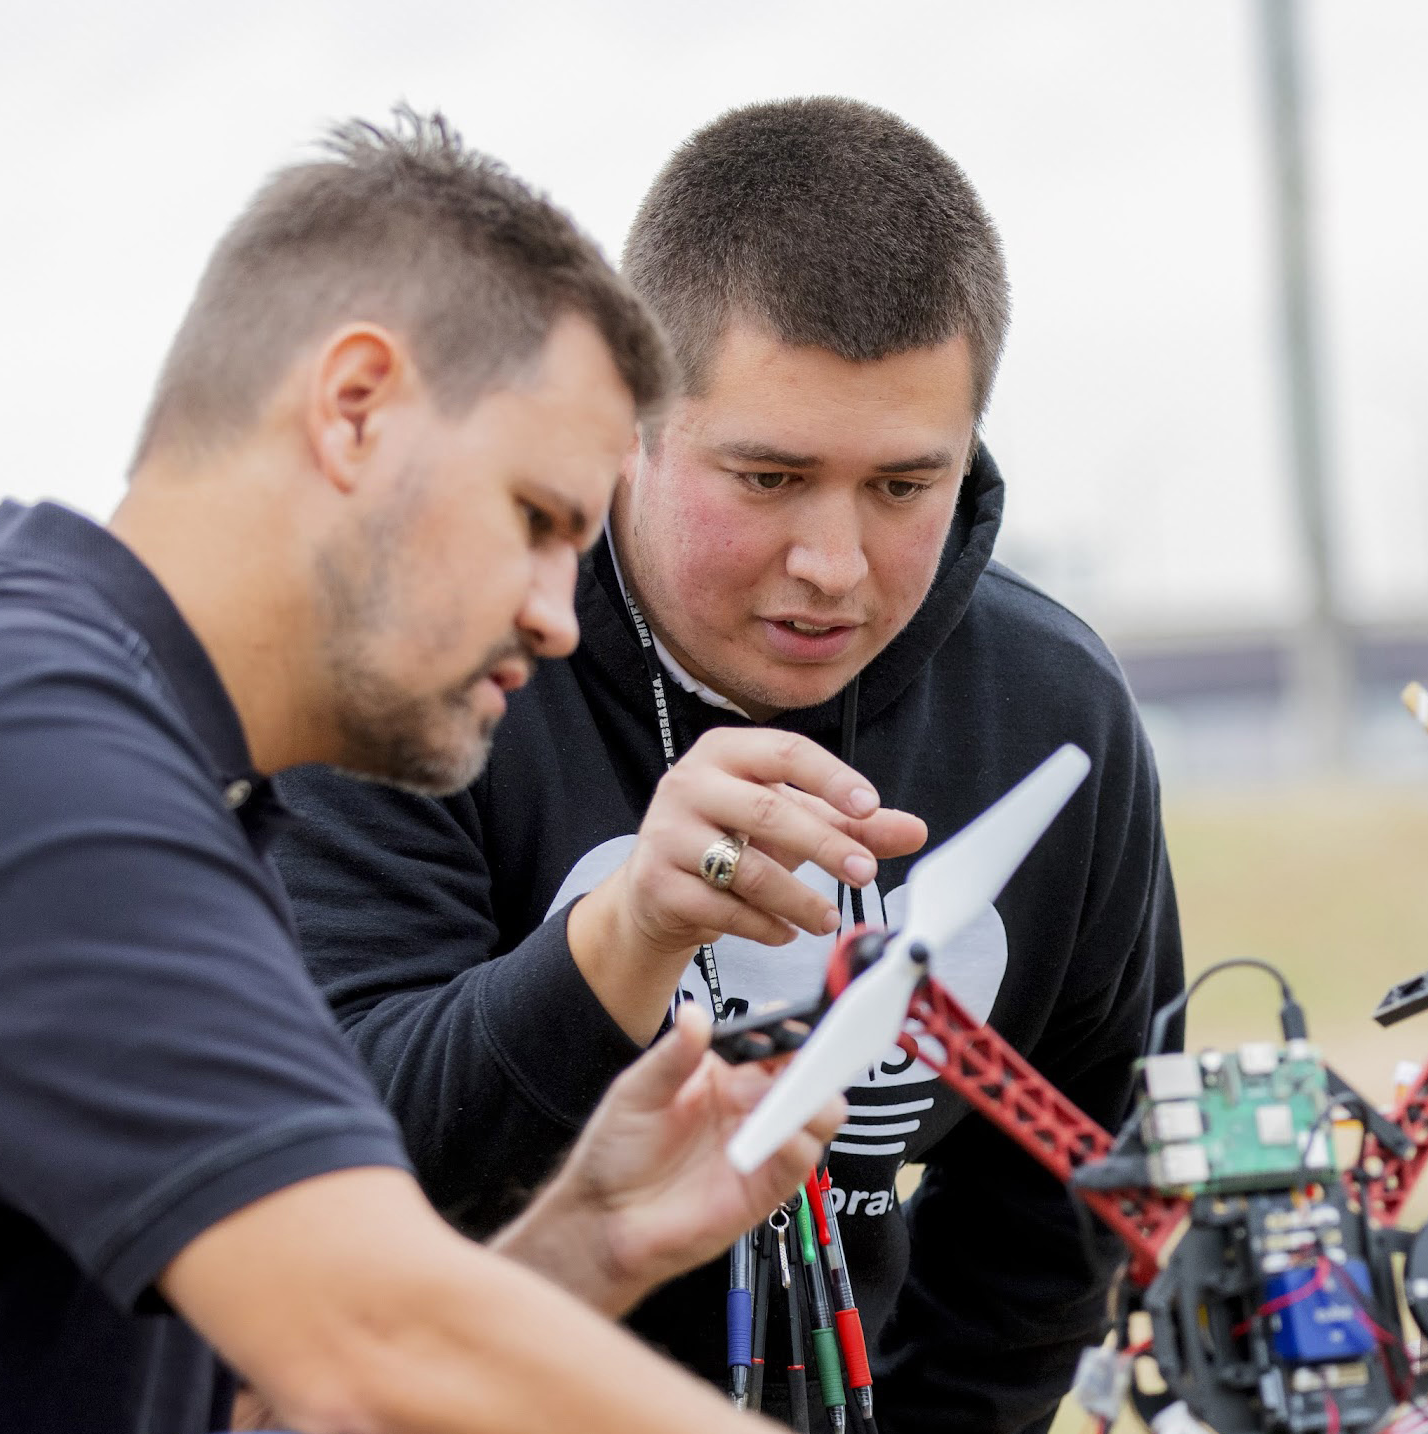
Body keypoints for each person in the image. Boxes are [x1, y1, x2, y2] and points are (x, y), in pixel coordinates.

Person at [0, 111, 847, 1434]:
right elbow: (369, 1337)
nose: (556, 615)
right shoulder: (6, 744)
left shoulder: (156, 780)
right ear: (355, 409)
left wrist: (593, 1237)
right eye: (533, 520)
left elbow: (270, 1403)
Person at [272, 97, 1181, 1433]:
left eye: (901, 485)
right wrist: (623, 932)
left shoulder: (1053, 713)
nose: (832, 563)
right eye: (766, 477)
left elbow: (1056, 1213)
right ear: (632, 416)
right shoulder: (413, 665)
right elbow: (346, 1160)